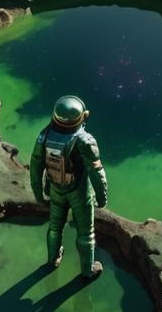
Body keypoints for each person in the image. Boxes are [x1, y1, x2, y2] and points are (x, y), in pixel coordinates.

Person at [30, 94, 108, 282]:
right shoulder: (85, 140)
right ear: (82, 118)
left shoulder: (44, 135)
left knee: (54, 227)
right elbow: (96, 172)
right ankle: (87, 271)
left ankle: (52, 259)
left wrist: (38, 194)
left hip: (55, 189)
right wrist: (102, 197)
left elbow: (35, 165)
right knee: (86, 233)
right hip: (79, 193)